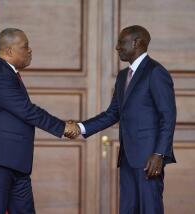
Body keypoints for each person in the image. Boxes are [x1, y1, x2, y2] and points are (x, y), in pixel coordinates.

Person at [0, 28, 80, 214]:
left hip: (15, 163)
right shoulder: (1, 74)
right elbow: (27, 111)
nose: (30, 50)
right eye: (25, 46)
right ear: (10, 51)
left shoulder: (8, 74)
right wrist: (63, 127)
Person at [68, 25, 177, 213]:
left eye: (121, 42)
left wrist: (159, 154)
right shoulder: (122, 76)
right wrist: (80, 127)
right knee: (128, 208)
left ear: (136, 42)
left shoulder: (155, 72)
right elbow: (113, 113)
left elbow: (168, 116)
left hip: (149, 160)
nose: (117, 47)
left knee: (150, 208)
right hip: (127, 157)